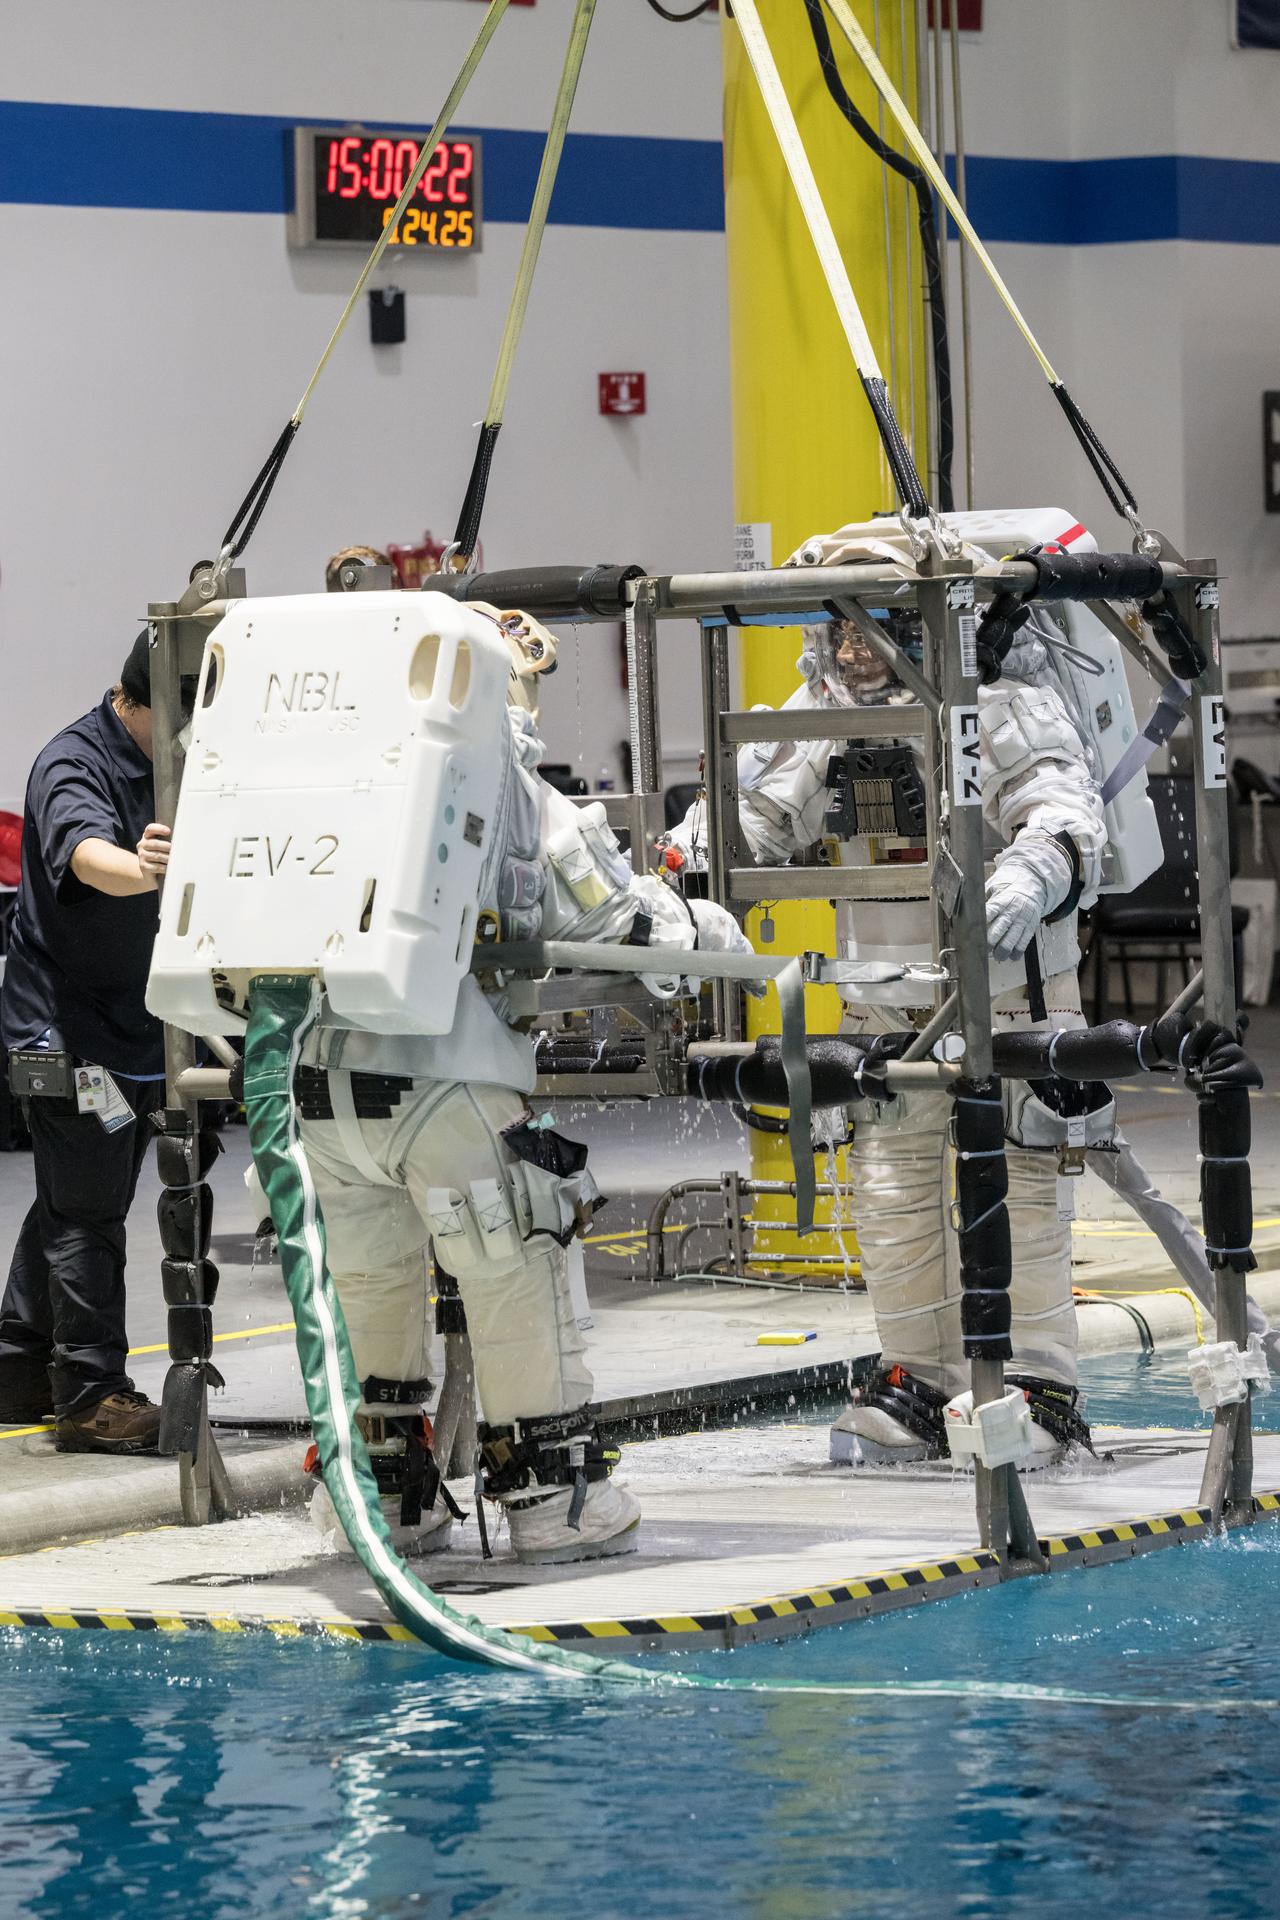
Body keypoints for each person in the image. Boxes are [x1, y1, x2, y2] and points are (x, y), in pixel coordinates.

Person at [296, 592, 753, 1561]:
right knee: (518, 1266)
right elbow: (611, 918)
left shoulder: (328, 772)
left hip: (319, 1098)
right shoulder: (494, 773)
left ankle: (384, 1500)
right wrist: (700, 931)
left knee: (370, 1294)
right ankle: (553, 1497)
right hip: (441, 1084)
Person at [669, 518, 1132, 1467]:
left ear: (928, 628)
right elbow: (750, 817)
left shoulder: (1002, 704)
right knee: (891, 1195)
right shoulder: (818, 719)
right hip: (885, 1010)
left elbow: (1067, 811)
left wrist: (1035, 868)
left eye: (874, 624)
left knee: (1024, 1192)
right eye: (841, 629)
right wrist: (687, 866)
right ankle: (916, 1379)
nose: (854, 649)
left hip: (1013, 1005)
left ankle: (1040, 1383)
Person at [0, 632, 176, 1451]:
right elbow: (88, 852)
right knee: (88, 1210)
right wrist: (142, 869)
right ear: (133, 700)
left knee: (79, 1196)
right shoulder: (72, 760)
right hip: (62, 1028)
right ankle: (90, 1392)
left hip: (133, 1022)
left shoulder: (169, 756)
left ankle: (17, 1361)